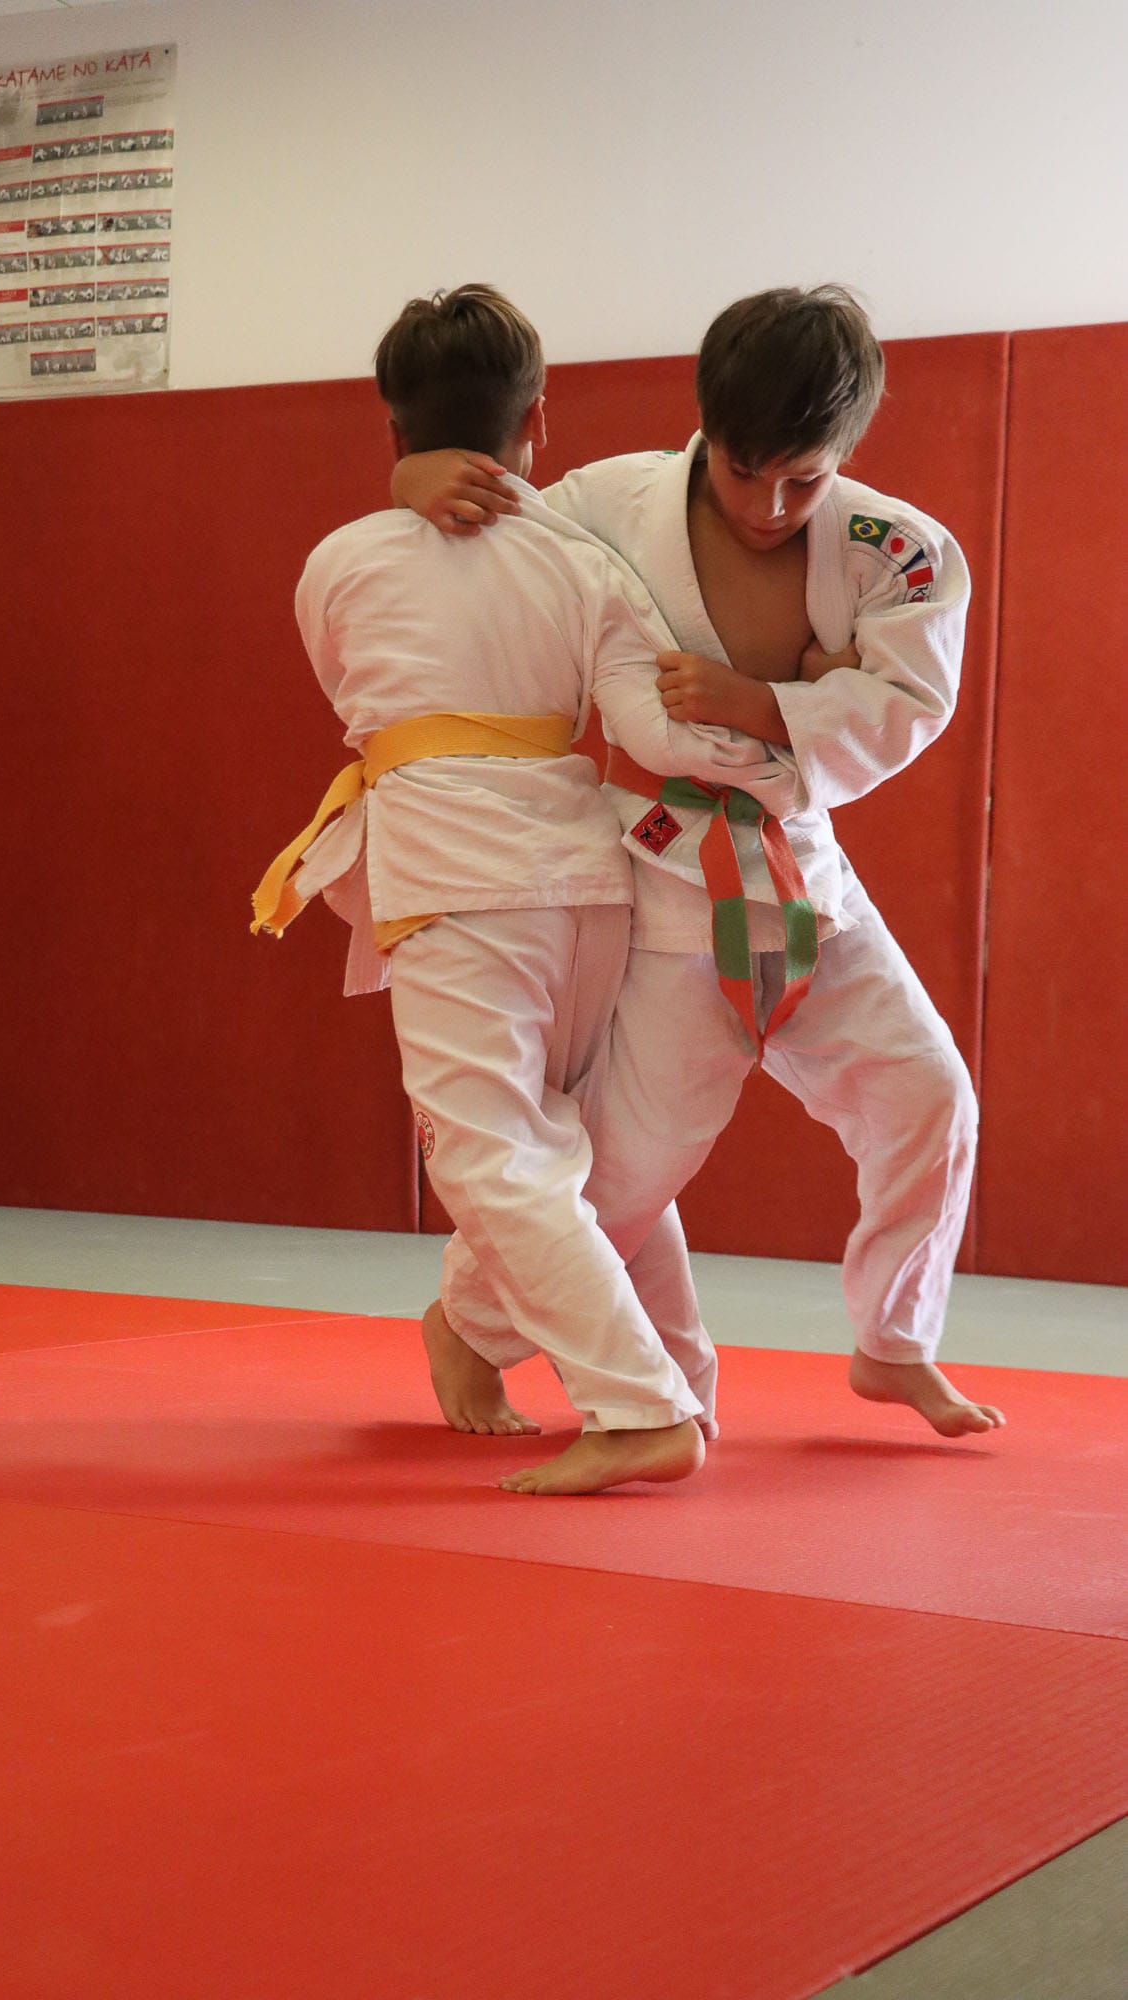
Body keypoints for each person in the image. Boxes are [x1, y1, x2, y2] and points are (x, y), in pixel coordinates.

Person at [394, 284, 1004, 1442]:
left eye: (804, 480)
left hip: (802, 873)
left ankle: (893, 1341)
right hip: (668, 870)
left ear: (847, 451)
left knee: (929, 1096)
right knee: (636, 1162)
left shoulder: (897, 549)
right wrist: (415, 481)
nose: (769, 506)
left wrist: (756, 702)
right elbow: (488, 540)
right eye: (742, 469)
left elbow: (910, 706)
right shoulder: (608, 504)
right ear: (704, 427)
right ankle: (468, 1321)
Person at [253, 283, 806, 1494]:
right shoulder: (582, 560)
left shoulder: (342, 561)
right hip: (587, 880)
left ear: (390, 421)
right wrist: (789, 753)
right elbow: (646, 730)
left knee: (492, 1159)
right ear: (538, 417)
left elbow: (352, 690)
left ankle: (640, 1405)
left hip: (453, 873)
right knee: (581, 1153)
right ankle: (681, 1380)